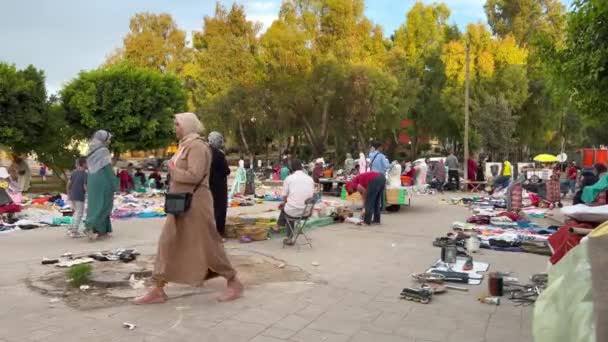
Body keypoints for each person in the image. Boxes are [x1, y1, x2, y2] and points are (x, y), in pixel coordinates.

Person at [134, 112, 243, 305]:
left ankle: (233, 281)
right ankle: (158, 288)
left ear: (187, 125)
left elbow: (195, 175)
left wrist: (173, 170)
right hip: (180, 202)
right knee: (168, 241)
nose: (174, 128)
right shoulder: (184, 145)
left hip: (196, 203)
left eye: (177, 124)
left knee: (208, 244)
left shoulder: (198, 147)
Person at [84, 130, 116, 241]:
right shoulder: (103, 151)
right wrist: (115, 183)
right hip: (103, 179)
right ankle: (90, 227)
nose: (109, 141)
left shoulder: (91, 149)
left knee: (95, 203)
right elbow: (108, 168)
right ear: (103, 139)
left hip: (92, 179)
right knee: (104, 204)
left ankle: (102, 230)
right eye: (108, 138)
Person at [277, 159, 315, 245]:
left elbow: (284, 196)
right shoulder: (310, 179)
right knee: (289, 206)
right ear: (301, 167)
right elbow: (311, 196)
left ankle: (288, 235)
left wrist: (285, 202)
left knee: (286, 207)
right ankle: (279, 226)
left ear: (291, 168)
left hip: (293, 211)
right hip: (306, 212)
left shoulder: (289, 178)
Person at [208, 131, 231, 238]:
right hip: (219, 186)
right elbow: (226, 170)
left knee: (210, 208)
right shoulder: (218, 154)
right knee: (220, 209)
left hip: (208, 184)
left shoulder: (205, 152)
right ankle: (218, 233)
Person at [67, 157, 87, 238]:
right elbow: (85, 186)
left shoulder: (74, 173)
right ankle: (74, 231)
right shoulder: (85, 174)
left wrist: (68, 193)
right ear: (84, 164)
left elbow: (69, 183)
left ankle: (71, 228)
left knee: (75, 212)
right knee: (79, 213)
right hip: (79, 195)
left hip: (73, 195)